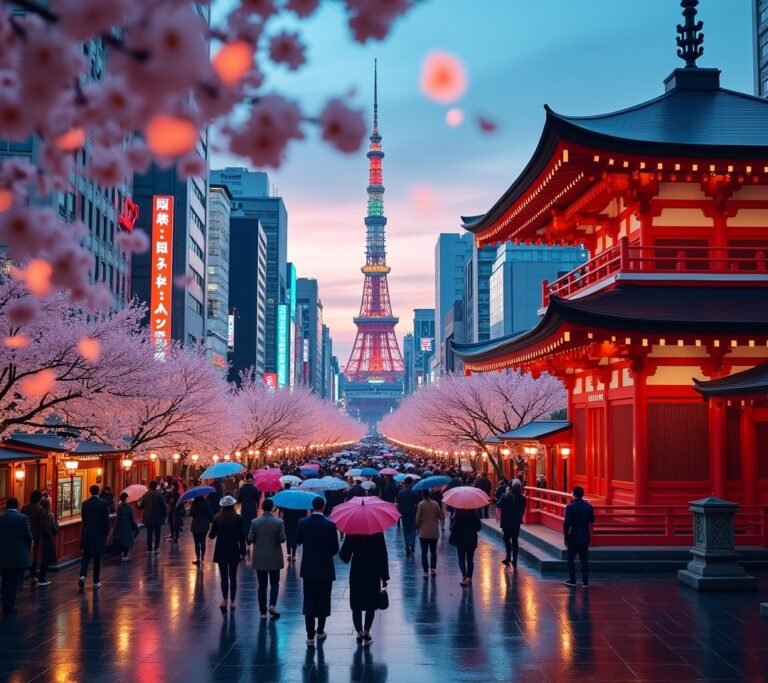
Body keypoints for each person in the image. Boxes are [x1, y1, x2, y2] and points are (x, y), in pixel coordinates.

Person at [296, 497, 339, 646]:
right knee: (323, 600)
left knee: (309, 601)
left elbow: (298, 540)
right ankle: (320, 631)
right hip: (325, 568)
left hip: (308, 568)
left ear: (312, 507)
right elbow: (335, 549)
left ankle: (309, 635)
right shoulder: (330, 525)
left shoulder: (302, 523)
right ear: (324, 507)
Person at [339, 531, 389, 646]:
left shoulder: (353, 531)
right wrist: (385, 577)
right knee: (371, 603)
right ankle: (366, 631)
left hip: (357, 570)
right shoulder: (377, 531)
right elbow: (383, 554)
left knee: (356, 602)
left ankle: (359, 631)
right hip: (373, 571)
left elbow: (344, 555)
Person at [248, 498, 286, 618]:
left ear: (263, 508)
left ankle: (262, 612)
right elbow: (282, 539)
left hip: (260, 558)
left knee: (262, 585)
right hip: (274, 557)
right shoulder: (279, 522)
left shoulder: (255, 522)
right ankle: (272, 605)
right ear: (272, 508)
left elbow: (250, 538)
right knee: (275, 583)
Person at [208, 495, 246, 612]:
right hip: (234, 550)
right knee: (233, 577)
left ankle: (224, 599)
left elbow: (212, 535)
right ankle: (233, 601)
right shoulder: (238, 519)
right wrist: (243, 552)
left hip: (221, 550)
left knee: (224, 577)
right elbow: (241, 537)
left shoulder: (218, 518)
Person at [0, 498, 32, 616]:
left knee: (5, 581)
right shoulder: (23, 518)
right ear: (17, 506)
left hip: (3, 555)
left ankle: (5, 605)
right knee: (14, 582)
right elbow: (28, 536)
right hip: (18, 555)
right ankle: (11, 605)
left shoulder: (1, 518)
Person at [78, 484, 110, 591]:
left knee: (86, 556)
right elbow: (106, 519)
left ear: (90, 492)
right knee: (97, 558)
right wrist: (107, 531)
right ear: (98, 491)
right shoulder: (103, 504)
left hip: (88, 532)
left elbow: (84, 518)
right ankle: (95, 582)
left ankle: (82, 576)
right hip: (99, 533)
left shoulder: (85, 504)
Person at [563, 486, 595, 588]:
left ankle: (573, 580)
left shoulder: (570, 507)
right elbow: (591, 520)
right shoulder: (589, 507)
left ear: (574, 494)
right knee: (584, 559)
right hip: (585, 536)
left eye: (572, 493)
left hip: (574, 536)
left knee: (570, 558)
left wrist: (566, 536)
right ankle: (585, 581)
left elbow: (566, 524)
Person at [497, 479, 526, 568]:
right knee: (514, 540)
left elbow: (498, 504)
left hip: (507, 521)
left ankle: (508, 555)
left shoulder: (506, 496)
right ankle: (515, 559)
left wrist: (505, 493)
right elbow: (522, 510)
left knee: (506, 538)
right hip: (516, 522)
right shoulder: (522, 498)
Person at [415, 490, 443, 579]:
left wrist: (418, 525)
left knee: (424, 552)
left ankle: (425, 571)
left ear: (422, 494)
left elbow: (417, 519)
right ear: (430, 494)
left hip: (423, 532)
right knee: (433, 551)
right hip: (434, 532)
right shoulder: (435, 504)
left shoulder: (421, 504)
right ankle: (433, 569)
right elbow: (440, 516)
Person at [452, 508, 481, 586]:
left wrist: (453, 518)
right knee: (470, 559)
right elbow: (479, 527)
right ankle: (469, 578)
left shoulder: (458, 512)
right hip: (471, 539)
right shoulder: (475, 513)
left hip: (460, 539)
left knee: (461, 559)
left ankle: (464, 577)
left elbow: (453, 527)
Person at [19, 490, 43, 586]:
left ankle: (21, 577)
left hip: (24, 535)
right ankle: (34, 576)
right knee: (34, 557)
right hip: (36, 536)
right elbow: (41, 523)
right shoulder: (40, 509)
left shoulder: (24, 508)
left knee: (25, 555)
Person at [138, 480, 166, 553]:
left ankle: (149, 548)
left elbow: (141, 506)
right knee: (157, 533)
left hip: (148, 517)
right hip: (158, 517)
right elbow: (163, 505)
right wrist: (164, 515)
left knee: (149, 533)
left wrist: (138, 503)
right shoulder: (159, 494)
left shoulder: (146, 494)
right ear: (156, 486)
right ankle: (156, 548)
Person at [36, 498, 57, 585]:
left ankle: (37, 577)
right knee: (45, 560)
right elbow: (54, 530)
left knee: (41, 558)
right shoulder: (48, 515)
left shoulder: (39, 513)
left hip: (39, 538)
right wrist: (56, 523)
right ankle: (42, 579)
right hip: (46, 539)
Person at [397, 477, 419, 556]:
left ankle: (407, 545)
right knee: (412, 531)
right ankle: (412, 545)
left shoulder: (401, 492)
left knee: (405, 531)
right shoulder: (414, 493)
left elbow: (398, 504)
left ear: (405, 483)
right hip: (413, 514)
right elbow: (417, 504)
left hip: (404, 514)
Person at [189, 495, 214, 566]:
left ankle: (198, 558)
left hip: (195, 525)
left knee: (196, 543)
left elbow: (191, 513)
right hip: (204, 525)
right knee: (203, 541)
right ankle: (202, 556)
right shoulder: (207, 503)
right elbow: (210, 514)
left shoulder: (194, 503)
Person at [114, 492, 139, 562]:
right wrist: (135, 528)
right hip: (127, 526)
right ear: (126, 498)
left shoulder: (118, 507)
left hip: (119, 525)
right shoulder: (129, 508)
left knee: (121, 540)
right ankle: (125, 555)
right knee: (127, 541)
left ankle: (122, 554)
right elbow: (132, 518)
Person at [237, 473, 260, 551]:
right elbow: (258, 499)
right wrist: (258, 507)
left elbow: (238, 500)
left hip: (244, 510)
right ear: (251, 479)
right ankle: (253, 542)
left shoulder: (242, 489)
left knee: (245, 527)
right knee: (252, 525)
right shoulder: (255, 489)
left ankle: (248, 544)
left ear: (246, 479)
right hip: (252, 510)